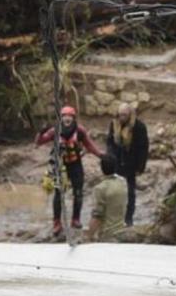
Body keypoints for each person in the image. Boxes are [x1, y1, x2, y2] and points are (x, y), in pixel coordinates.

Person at [35, 105, 102, 236]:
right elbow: (39, 142)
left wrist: (101, 155)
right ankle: (56, 222)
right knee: (58, 194)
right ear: (61, 118)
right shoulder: (55, 131)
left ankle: (75, 219)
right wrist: (40, 132)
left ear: (73, 118)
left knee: (78, 193)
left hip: (75, 164)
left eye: (69, 116)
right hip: (60, 166)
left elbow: (90, 145)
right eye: (64, 116)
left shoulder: (80, 131)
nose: (67, 118)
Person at [106, 102, 149, 227]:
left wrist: (140, 167)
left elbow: (143, 148)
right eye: (120, 115)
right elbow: (109, 141)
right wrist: (110, 157)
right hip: (117, 162)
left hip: (131, 163)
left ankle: (129, 218)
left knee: (130, 192)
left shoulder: (139, 127)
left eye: (124, 115)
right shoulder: (114, 124)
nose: (121, 118)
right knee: (115, 191)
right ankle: (115, 218)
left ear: (130, 115)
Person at [84, 155, 128, 242]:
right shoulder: (123, 183)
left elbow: (97, 216)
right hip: (122, 232)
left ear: (101, 168)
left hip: (108, 235)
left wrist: (88, 236)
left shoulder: (100, 188)